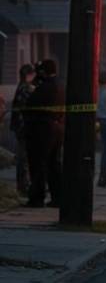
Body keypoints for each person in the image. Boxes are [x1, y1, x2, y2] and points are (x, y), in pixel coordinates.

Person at [23, 59, 65, 208]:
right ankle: (57, 197)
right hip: (57, 127)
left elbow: (30, 105)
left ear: (43, 72)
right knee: (54, 164)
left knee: (38, 163)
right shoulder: (60, 85)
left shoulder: (44, 87)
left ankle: (37, 198)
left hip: (42, 129)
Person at [8, 64, 35, 197]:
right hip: (25, 127)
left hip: (19, 126)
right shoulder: (27, 88)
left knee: (22, 157)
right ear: (29, 74)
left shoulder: (20, 87)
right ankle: (24, 186)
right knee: (25, 158)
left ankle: (22, 185)